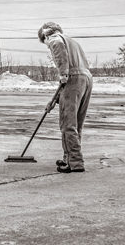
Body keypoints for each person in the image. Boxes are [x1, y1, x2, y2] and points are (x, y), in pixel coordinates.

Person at [38, 22, 93, 173]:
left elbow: (65, 69)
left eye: (44, 41)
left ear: (45, 35)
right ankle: (68, 158)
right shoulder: (71, 40)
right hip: (86, 78)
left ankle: (74, 163)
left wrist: (63, 74)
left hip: (74, 78)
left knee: (67, 123)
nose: (46, 44)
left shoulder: (54, 39)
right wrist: (55, 101)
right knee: (76, 123)